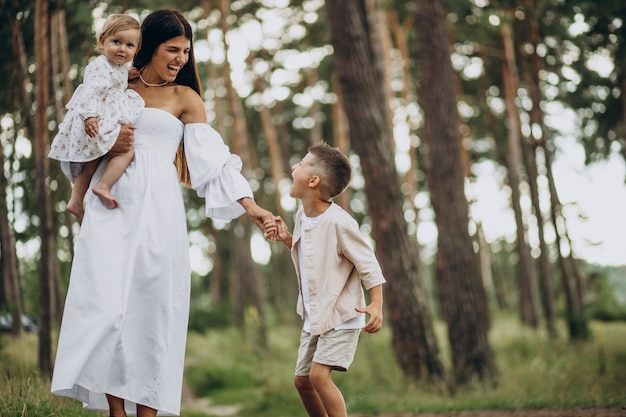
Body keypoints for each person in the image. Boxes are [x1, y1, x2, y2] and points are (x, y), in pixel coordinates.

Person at [50, 9, 276, 417]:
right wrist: (108, 139)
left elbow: (213, 160)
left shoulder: (185, 98)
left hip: (158, 214)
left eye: (186, 52)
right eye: (173, 49)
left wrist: (253, 208)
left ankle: (147, 411)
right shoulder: (114, 81)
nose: (181, 59)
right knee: (106, 307)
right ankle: (115, 412)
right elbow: (75, 134)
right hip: (109, 206)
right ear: (149, 46)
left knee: (151, 314)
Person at [273, 142, 386, 417]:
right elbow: (312, 256)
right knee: (302, 381)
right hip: (316, 315)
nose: (293, 166)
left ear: (313, 181)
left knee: (319, 376)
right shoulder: (303, 215)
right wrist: (288, 238)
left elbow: (368, 264)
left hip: (342, 314)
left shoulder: (340, 223)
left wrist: (376, 305)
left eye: (300, 164)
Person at [49, 14, 144, 219]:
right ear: (102, 41)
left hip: (100, 118)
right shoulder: (99, 65)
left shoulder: (117, 67)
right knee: (126, 151)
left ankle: (75, 201)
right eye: (116, 42)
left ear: (136, 49)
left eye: (129, 45)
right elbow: (91, 91)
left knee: (92, 161)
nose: (122, 49)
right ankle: (103, 185)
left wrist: (127, 76)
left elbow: (113, 79)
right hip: (95, 120)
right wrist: (90, 116)